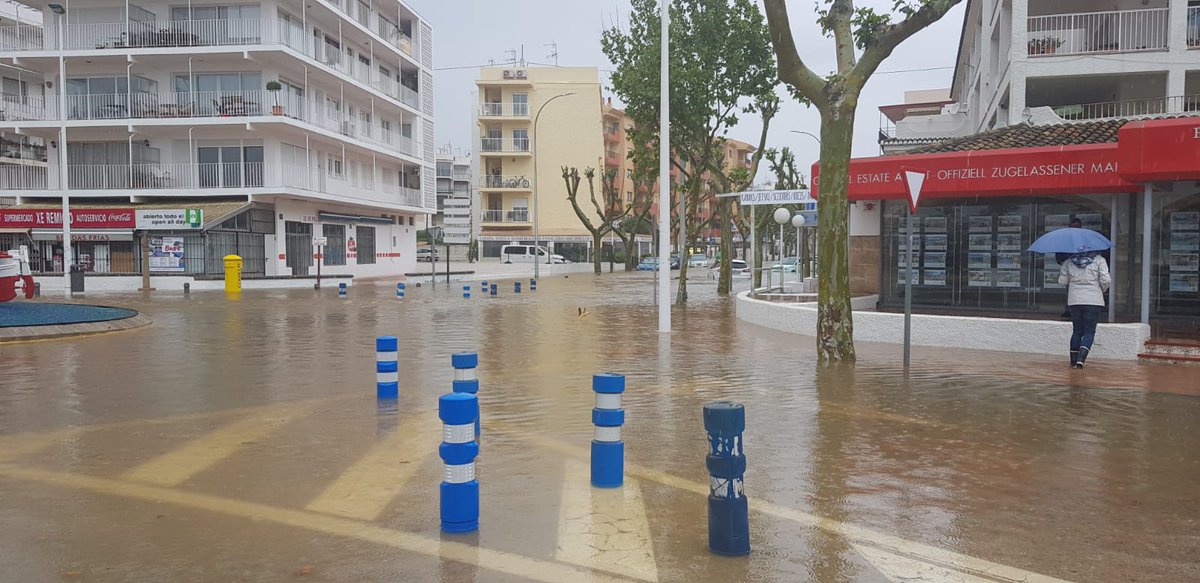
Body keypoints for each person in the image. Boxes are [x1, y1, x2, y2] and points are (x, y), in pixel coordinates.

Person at [1059, 249, 1110, 368]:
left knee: (1077, 331)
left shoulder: (1069, 262)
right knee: (1089, 332)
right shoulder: (1099, 260)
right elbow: (1106, 280)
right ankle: (1081, 361)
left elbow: (1062, 282)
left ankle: (1072, 361)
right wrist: (1102, 290)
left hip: (1075, 300)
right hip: (1094, 301)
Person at [1055, 218, 1085, 318]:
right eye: (1074, 227)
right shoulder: (1064, 240)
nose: (1076, 229)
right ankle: (1069, 309)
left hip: (1083, 268)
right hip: (1069, 268)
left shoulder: (1084, 239)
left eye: (1078, 227)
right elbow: (1059, 253)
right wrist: (1062, 261)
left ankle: (1079, 309)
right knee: (1069, 290)